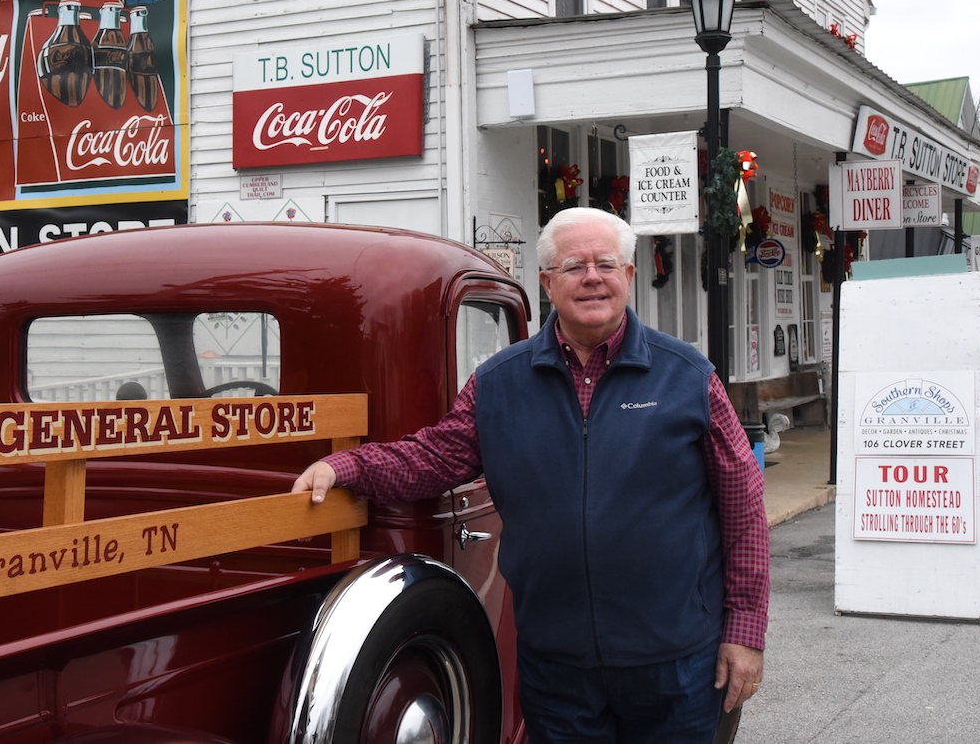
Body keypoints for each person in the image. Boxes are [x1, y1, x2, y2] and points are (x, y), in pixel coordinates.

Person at [293, 206, 768, 743]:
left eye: (606, 264)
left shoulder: (688, 377)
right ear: (547, 282)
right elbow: (432, 457)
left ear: (629, 276)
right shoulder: (499, 383)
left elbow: (743, 507)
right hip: (556, 666)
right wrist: (346, 465)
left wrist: (745, 633)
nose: (592, 277)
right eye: (573, 267)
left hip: (677, 662)